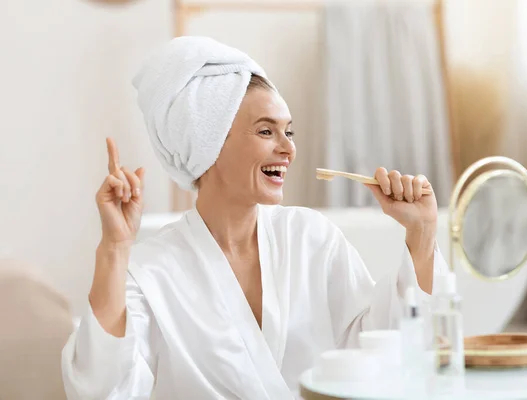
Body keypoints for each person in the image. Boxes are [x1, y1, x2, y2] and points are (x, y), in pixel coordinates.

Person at [61, 36, 448, 399]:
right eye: (266, 131)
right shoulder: (150, 272)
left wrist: (423, 232)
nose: (288, 149)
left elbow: (385, 351)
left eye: (289, 132)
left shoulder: (311, 238)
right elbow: (104, 389)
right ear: (208, 142)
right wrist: (115, 248)